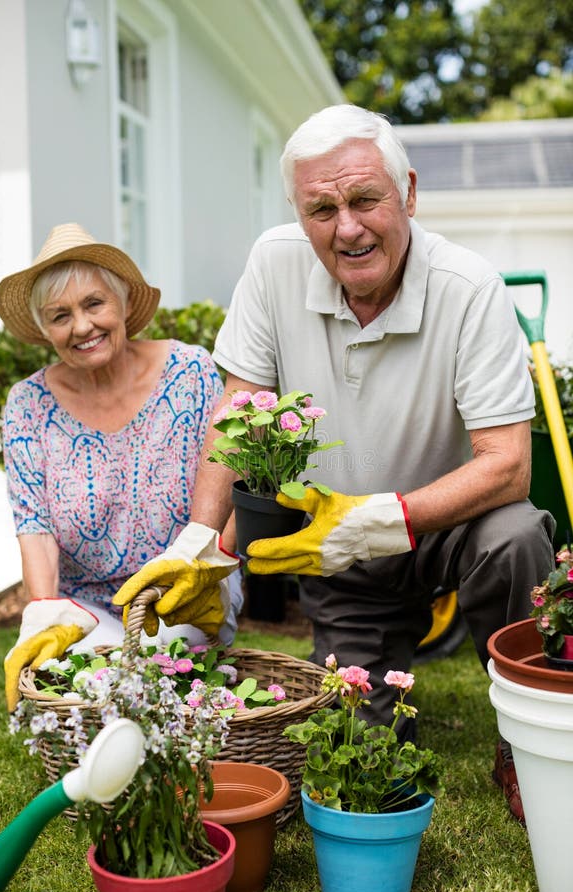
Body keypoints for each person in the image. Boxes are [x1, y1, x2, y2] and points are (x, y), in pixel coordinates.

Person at [124, 104, 553, 823]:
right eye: (321, 209)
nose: (346, 228)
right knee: (365, 756)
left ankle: (528, 736)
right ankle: (385, 698)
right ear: (299, 212)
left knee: (516, 534)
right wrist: (199, 541)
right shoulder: (274, 264)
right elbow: (238, 410)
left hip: (448, 529)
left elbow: (508, 466)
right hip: (340, 558)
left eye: (364, 200)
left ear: (408, 193)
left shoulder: (468, 287)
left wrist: (383, 517)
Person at [0, 223, 242, 712]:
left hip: (183, 589)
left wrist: (211, 574)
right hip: (85, 603)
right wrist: (46, 613)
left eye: (93, 304)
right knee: (79, 683)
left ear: (125, 302)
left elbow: (230, 482)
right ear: (46, 331)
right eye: (60, 316)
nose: (82, 326)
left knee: (151, 672)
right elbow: (35, 527)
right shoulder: (27, 404)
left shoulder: (189, 371)